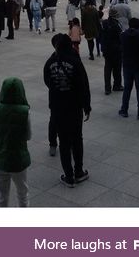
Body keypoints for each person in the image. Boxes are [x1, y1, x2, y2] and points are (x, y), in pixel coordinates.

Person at [43, 34, 91, 187]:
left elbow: (47, 81)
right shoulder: (75, 61)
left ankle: (68, 176)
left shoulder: (50, 62)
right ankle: (79, 171)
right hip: (74, 106)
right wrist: (86, 105)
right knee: (77, 139)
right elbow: (83, 84)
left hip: (57, 106)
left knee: (63, 141)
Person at [0, 77, 31, 207]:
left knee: (1, 196)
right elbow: (28, 136)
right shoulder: (25, 112)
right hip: (18, 160)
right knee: (22, 193)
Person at [119, 17, 139, 120]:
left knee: (127, 89)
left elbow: (120, 48)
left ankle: (124, 110)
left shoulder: (123, 35)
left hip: (127, 65)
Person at [101, 7, 123, 94]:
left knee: (107, 69)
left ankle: (107, 88)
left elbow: (101, 36)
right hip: (116, 50)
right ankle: (117, 85)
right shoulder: (116, 25)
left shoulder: (105, 23)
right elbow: (120, 37)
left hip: (107, 50)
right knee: (117, 69)